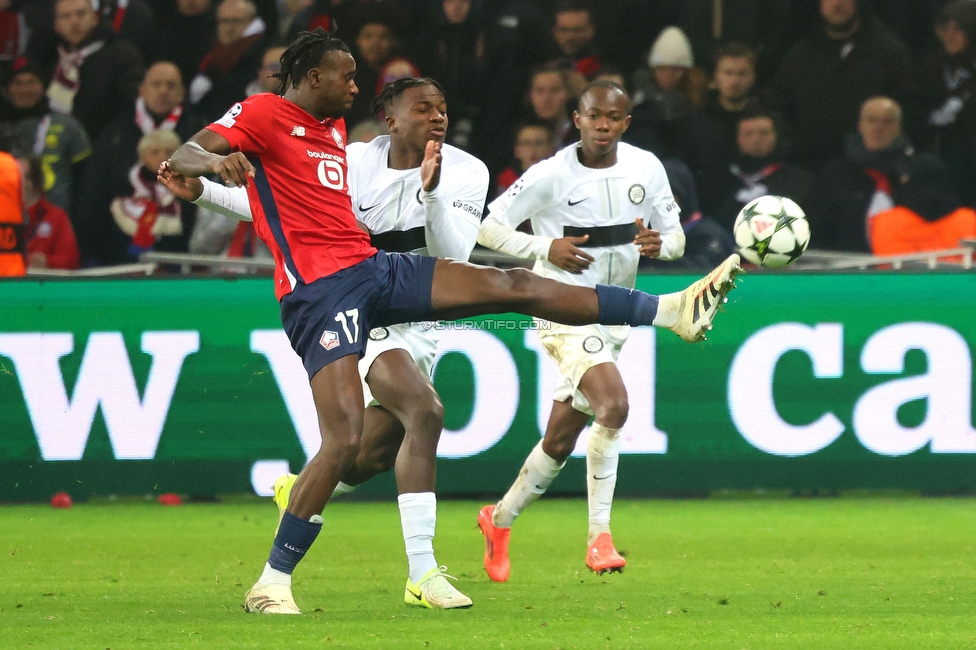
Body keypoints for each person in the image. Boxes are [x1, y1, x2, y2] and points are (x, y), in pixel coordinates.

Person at [165, 28, 740, 616]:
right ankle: (274, 582)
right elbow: (189, 157)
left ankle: (670, 310)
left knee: (508, 289)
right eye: (351, 78)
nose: (357, 87)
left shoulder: (351, 140)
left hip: (375, 271)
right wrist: (207, 175)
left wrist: (434, 193)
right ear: (319, 80)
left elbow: (434, 243)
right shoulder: (270, 116)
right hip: (320, 292)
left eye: (442, 109)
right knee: (365, 432)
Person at [162, 76, 489, 608]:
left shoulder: (466, 169)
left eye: (443, 108)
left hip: (417, 311)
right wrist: (204, 192)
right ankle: (423, 574)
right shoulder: (352, 160)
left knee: (373, 452)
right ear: (390, 119)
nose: (438, 117)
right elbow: (279, 205)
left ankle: (304, 489)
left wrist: (431, 193)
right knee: (424, 411)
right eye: (424, 108)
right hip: (354, 299)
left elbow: (455, 250)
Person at [474, 80, 685, 581]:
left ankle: (498, 519)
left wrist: (661, 246)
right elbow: (488, 225)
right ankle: (599, 538)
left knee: (560, 439)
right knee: (615, 403)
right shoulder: (551, 174)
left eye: (614, 117)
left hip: (616, 316)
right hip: (560, 308)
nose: (603, 125)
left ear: (625, 122)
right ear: (578, 118)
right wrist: (544, 249)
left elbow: (676, 237)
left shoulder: (646, 168)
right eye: (595, 116)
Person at [75, 61, 204, 265]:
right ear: (142, 90)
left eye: (171, 85)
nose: (163, 91)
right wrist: (91, 252)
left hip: (180, 252)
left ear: (182, 93)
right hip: (117, 250)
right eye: (156, 84)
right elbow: (94, 193)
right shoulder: (116, 134)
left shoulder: (200, 133)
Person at [765, 0, 912, 169]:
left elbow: (908, 108)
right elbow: (779, 107)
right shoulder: (798, 56)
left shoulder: (890, 55)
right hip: (808, 167)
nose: (837, 4)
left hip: (874, 171)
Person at [805, 96, 963, 253]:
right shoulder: (836, 174)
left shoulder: (923, 170)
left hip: (909, 267)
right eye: (871, 120)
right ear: (860, 126)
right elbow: (817, 230)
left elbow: (945, 221)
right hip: (847, 268)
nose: (878, 127)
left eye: (887, 121)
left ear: (899, 127)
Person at [32, 0, 144, 142]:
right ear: (57, 25)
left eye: (81, 14)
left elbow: (131, 107)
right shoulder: (52, 58)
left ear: (95, 18)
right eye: (66, 16)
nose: (74, 22)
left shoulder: (122, 55)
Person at [0, 59, 91, 218]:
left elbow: (86, 181)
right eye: (17, 83)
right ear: (7, 89)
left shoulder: (68, 126)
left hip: (54, 222)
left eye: (32, 82)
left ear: (43, 86)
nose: (25, 89)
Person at [714, 107, 812, 233]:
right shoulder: (721, 179)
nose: (756, 140)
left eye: (764, 133)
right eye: (748, 134)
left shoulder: (799, 180)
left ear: (777, 136)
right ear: (737, 139)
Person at [188, 0, 267, 122]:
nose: (229, 28)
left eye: (236, 21)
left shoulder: (260, 53)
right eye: (224, 21)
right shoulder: (211, 53)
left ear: (251, 22)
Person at [18, 154, 81, 270]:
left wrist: (47, 262)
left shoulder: (56, 217)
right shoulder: (4, 216)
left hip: (43, 285)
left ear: (32, 182)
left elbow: (71, 260)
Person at [495, 120, 555, 195]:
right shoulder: (506, 179)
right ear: (516, 150)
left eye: (539, 143)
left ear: (551, 148)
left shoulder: (559, 177)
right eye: (526, 143)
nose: (532, 149)